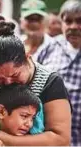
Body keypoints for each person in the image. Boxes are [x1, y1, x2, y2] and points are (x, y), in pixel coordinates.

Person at [0, 21, 71, 146]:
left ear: (27, 58)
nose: (8, 82)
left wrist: (0, 138)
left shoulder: (51, 83)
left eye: (15, 75)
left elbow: (61, 139)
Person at [38, 0, 81, 145]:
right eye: (68, 21)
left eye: (79, 21)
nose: (74, 27)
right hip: (51, 138)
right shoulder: (50, 47)